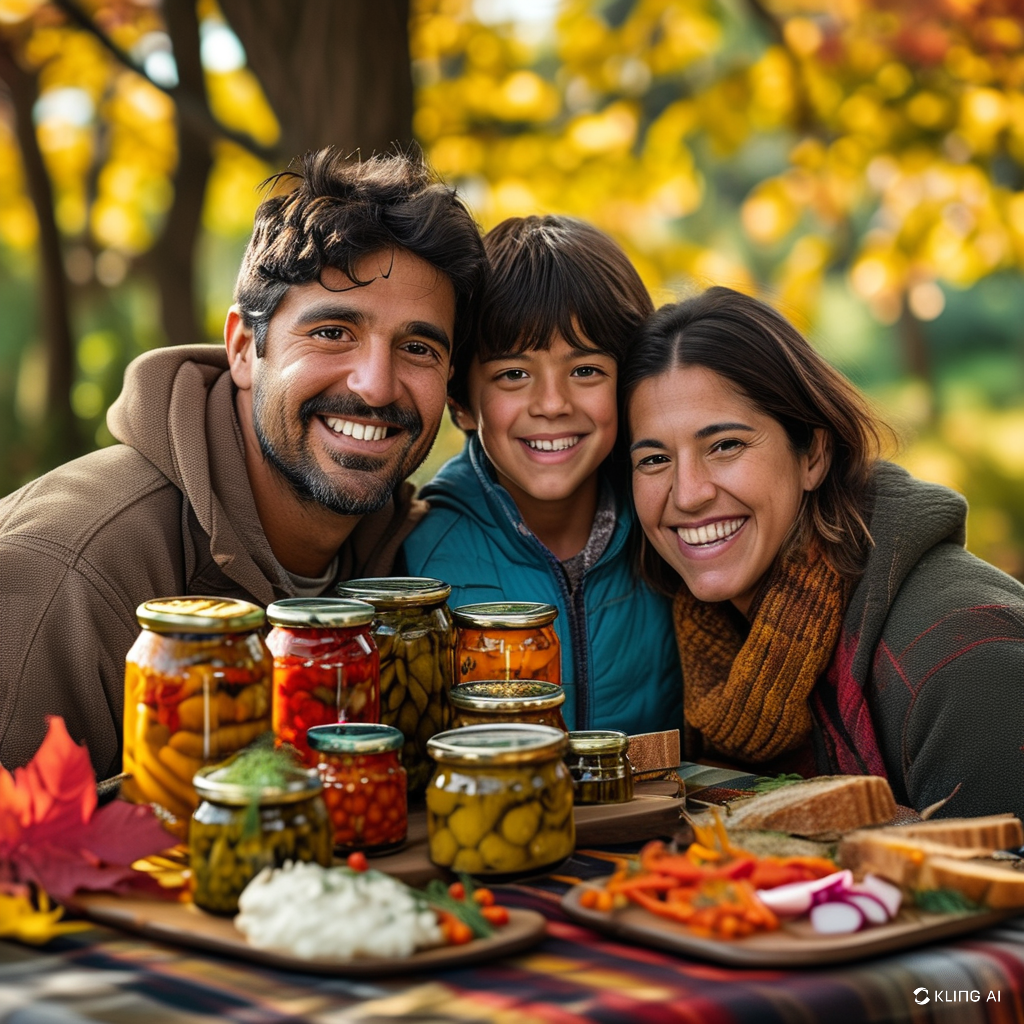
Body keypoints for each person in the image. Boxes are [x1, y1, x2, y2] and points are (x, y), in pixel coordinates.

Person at [0, 147, 487, 779]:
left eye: (417, 347)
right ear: (242, 350)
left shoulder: (408, 568)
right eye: (333, 332)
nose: (375, 384)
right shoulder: (69, 571)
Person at [624, 285, 1024, 819]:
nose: (689, 493)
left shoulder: (962, 654)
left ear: (813, 453)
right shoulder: (705, 641)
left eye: (725, 446)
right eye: (653, 459)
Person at [402, 215, 682, 733]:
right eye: (513, 374)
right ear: (461, 403)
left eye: (585, 370)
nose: (552, 404)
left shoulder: (670, 529)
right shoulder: (422, 559)